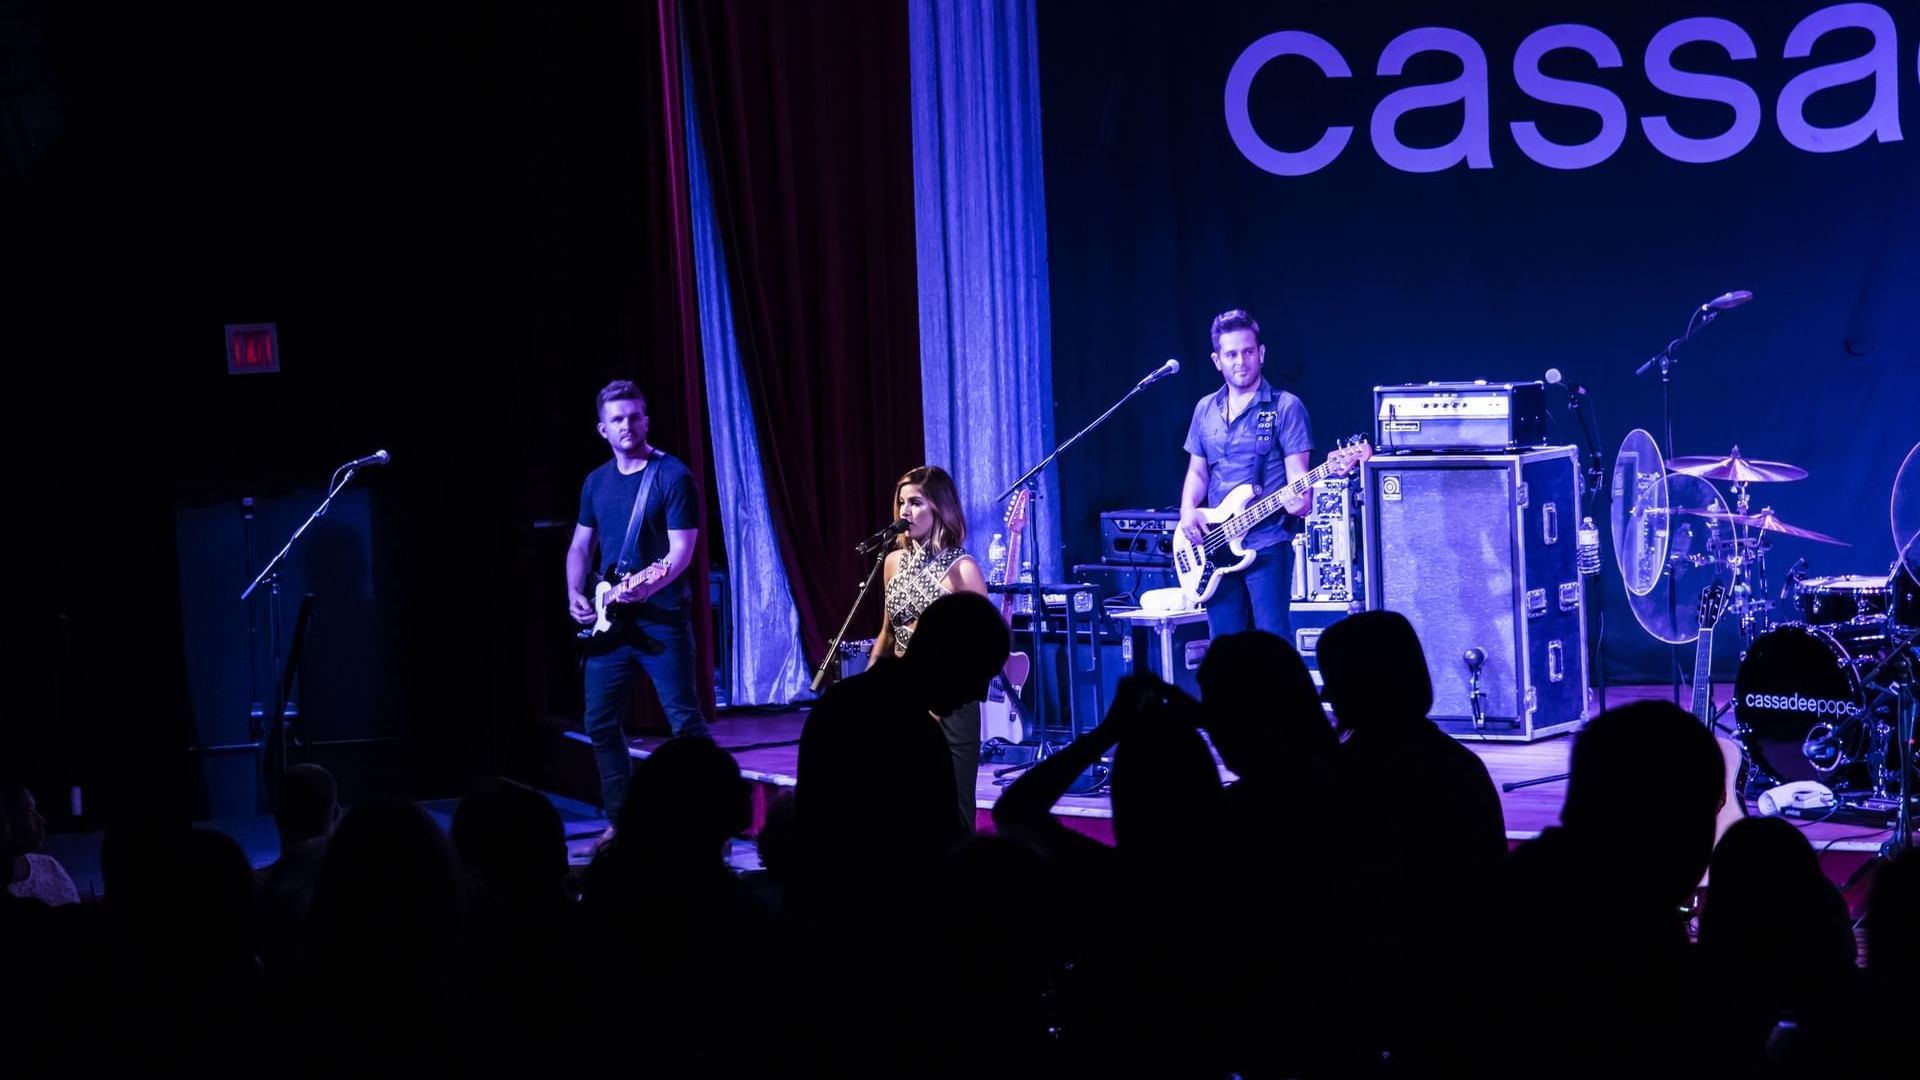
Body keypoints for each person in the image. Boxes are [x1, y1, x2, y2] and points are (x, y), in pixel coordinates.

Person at [566, 380, 709, 841]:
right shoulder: (596, 482)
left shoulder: (672, 477)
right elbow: (580, 546)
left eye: (633, 416)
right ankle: (622, 823)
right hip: (611, 626)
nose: (626, 425)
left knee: (685, 722)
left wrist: (646, 587)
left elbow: (680, 553)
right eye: (617, 419)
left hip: (662, 622)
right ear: (602, 429)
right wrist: (574, 593)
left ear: (646, 420)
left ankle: (711, 821)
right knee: (599, 722)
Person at [1177, 308, 1314, 642]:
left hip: (1268, 543)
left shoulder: (1286, 407)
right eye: (1231, 354)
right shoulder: (1204, 409)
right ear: (1217, 360)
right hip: (1215, 545)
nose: (1241, 361)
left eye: (1248, 352)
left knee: (1272, 644)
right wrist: (1187, 510)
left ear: (1261, 354)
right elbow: (1198, 471)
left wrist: (1300, 501)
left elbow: (1300, 481)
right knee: (1225, 647)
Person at [869, 465, 992, 829]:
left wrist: (944, 698)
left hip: (951, 703)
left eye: (916, 502)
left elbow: (984, 643)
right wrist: (867, 685)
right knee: (906, 802)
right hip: (904, 695)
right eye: (901, 502)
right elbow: (887, 632)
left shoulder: (963, 567)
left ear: (940, 507)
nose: (905, 511)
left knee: (953, 805)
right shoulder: (892, 562)